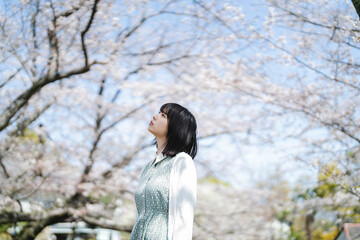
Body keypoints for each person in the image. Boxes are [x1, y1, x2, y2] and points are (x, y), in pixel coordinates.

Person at [129, 103, 198, 240]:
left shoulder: (181, 162)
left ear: (176, 127)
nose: (155, 116)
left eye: (163, 115)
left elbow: (184, 215)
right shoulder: (147, 167)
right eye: (158, 112)